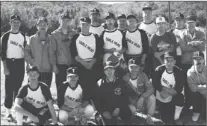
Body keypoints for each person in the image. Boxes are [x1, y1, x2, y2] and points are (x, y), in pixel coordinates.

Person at [70, 17, 103, 102]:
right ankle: (84, 107)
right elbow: (73, 52)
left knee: (93, 87)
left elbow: (99, 51)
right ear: (80, 25)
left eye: (86, 24)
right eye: (82, 24)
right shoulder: (76, 37)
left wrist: (92, 62)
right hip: (80, 65)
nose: (84, 26)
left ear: (89, 25)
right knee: (82, 87)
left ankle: (95, 107)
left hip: (93, 65)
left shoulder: (95, 36)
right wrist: (83, 63)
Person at [179, 14, 206, 115]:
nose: (190, 25)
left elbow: (203, 47)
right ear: (186, 23)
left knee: (198, 85)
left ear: (195, 23)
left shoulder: (200, 33)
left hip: (198, 64)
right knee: (187, 86)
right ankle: (187, 106)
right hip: (186, 63)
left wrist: (190, 43)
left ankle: (197, 108)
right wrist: (196, 44)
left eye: (192, 23)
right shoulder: (182, 34)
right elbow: (183, 48)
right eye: (188, 23)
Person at [1, 14, 26, 120]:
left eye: (18, 22)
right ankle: (8, 111)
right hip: (9, 63)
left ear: (20, 24)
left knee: (18, 88)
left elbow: (25, 51)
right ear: (10, 23)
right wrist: (5, 67)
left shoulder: (23, 36)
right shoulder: (6, 36)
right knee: (9, 88)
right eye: (14, 22)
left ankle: (17, 111)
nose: (16, 24)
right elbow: (2, 53)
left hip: (20, 63)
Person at [152, 52, 185, 124]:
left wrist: (167, 91)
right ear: (164, 61)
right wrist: (161, 90)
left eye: (171, 61)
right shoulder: (159, 69)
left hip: (172, 94)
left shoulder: (179, 71)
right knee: (166, 119)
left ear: (175, 62)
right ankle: (158, 107)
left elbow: (178, 89)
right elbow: (155, 83)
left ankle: (176, 117)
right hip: (161, 94)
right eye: (167, 61)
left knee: (180, 97)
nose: (169, 63)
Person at [96, 61, 132, 125]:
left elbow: (125, 97)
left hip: (119, 106)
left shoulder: (121, 82)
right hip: (107, 108)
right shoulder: (100, 84)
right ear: (104, 71)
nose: (109, 72)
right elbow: (97, 100)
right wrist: (103, 111)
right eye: (107, 70)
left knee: (127, 113)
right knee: (110, 123)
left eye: (111, 69)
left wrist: (118, 107)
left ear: (114, 70)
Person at [50, 11, 76, 100]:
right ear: (59, 20)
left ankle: (71, 105)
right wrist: (53, 65)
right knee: (60, 86)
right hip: (60, 64)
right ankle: (60, 104)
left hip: (71, 64)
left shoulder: (74, 33)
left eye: (67, 20)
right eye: (63, 20)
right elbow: (52, 51)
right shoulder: (54, 34)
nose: (65, 22)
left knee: (72, 85)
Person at [123, 58, 156, 124]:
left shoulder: (143, 75)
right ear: (128, 67)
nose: (134, 69)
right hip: (131, 99)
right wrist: (133, 101)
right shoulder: (124, 77)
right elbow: (123, 94)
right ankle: (135, 120)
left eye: (136, 67)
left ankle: (149, 117)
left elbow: (151, 88)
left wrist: (143, 97)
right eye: (131, 67)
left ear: (139, 67)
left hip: (141, 97)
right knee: (133, 110)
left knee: (152, 98)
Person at [25, 17, 53, 88]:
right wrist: (32, 61)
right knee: (32, 91)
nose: (42, 27)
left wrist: (52, 64)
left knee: (45, 92)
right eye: (40, 25)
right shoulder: (31, 39)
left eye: (45, 25)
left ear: (47, 26)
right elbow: (26, 52)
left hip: (47, 70)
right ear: (37, 26)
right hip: (34, 71)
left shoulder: (52, 39)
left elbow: (54, 53)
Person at [187, 52, 206, 122]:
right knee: (194, 94)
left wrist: (199, 87)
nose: (198, 61)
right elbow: (193, 88)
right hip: (197, 94)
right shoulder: (190, 72)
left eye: (200, 59)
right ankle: (196, 112)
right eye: (195, 59)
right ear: (193, 61)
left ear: (204, 60)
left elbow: (196, 87)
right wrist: (204, 87)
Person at [139, 5, 157, 78]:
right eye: (145, 12)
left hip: (153, 53)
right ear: (142, 14)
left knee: (155, 74)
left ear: (151, 14)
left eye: (148, 13)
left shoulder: (156, 26)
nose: (146, 14)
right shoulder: (139, 26)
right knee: (144, 74)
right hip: (143, 54)